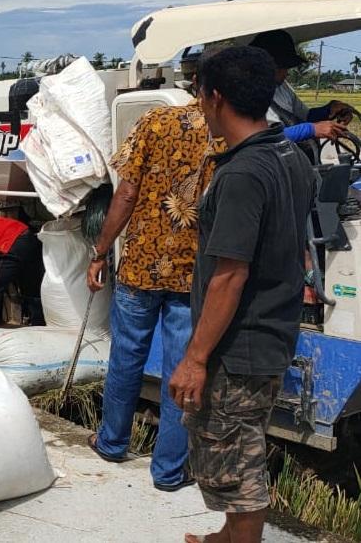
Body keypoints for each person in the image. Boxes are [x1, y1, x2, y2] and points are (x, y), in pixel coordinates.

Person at [170, 46, 314, 543]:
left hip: (241, 343)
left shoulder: (241, 174)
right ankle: (227, 535)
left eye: (198, 94)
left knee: (236, 462)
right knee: (238, 446)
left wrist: (195, 357)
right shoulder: (288, 155)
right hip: (273, 331)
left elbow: (229, 276)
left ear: (214, 98)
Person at [84, 52, 224, 491]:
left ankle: (111, 443)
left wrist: (100, 251)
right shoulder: (226, 135)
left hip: (140, 266)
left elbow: (124, 194)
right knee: (180, 371)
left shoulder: (155, 122)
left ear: (191, 81)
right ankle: (167, 471)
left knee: (125, 357)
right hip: (191, 275)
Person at [250, 30, 353, 156]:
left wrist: (329, 110)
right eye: (284, 66)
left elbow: (305, 116)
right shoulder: (250, 93)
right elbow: (265, 137)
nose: (287, 72)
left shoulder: (282, 87)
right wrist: (311, 129)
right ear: (269, 65)